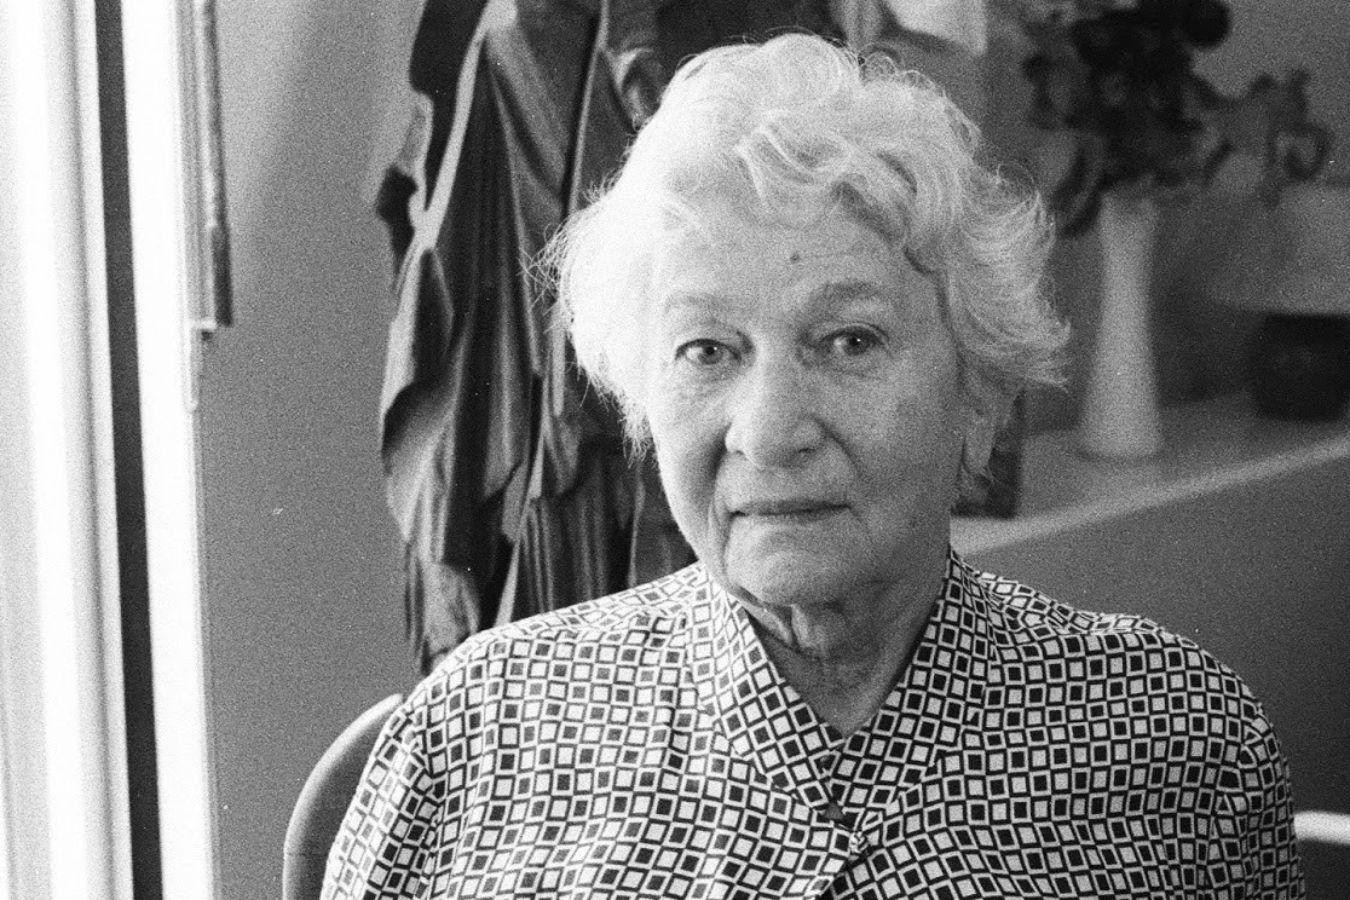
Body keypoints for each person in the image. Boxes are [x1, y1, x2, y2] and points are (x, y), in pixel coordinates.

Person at [323, 33, 1304, 899]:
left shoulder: (1173, 741)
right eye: (708, 351)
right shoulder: (477, 735)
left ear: (980, 397)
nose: (770, 429)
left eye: (847, 341)